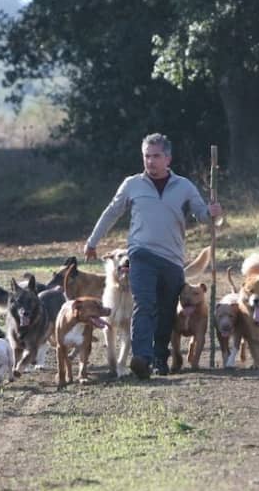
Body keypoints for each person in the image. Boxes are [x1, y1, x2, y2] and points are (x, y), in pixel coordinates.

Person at [84, 133, 223, 379]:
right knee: (144, 304)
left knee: (167, 310)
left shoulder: (184, 186)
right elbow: (111, 212)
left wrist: (214, 213)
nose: (150, 161)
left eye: (156, 156)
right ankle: (142, 359)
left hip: (172, 259)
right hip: (141, 254)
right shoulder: (132, 184)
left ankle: (160, 357)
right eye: (147, 156)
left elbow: (204, 216)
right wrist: (92, 241)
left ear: (168, 158)